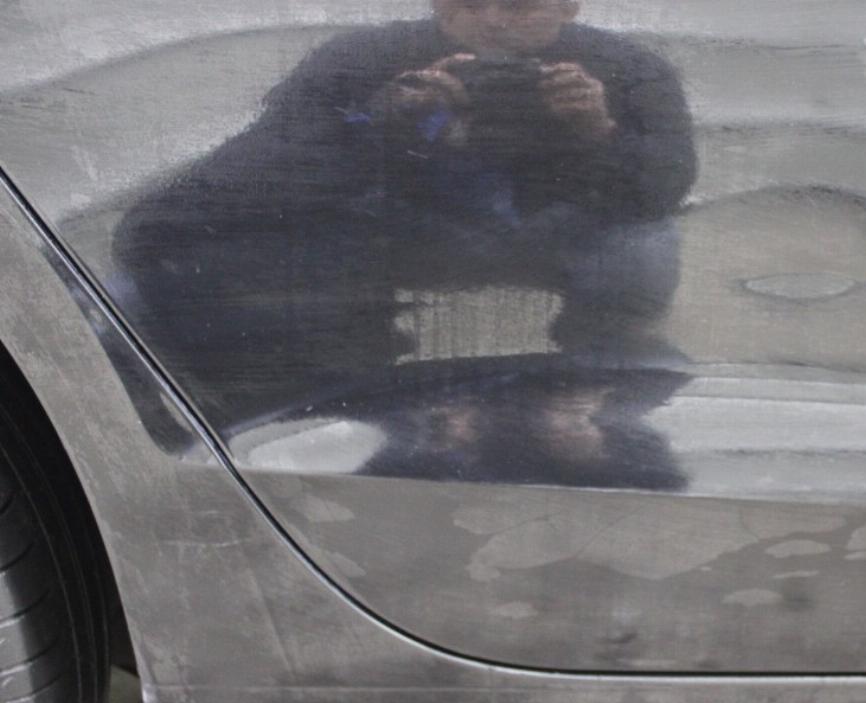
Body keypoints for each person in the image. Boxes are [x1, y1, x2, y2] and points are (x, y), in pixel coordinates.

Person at [113, 0, 697, 427]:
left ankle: (595, 388)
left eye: (519, 6)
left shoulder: (626, 69)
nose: (493, 22)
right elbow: (255, 173)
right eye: (469, 4)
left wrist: (598, 131)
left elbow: (665, 189)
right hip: (408, 238)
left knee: (639, 251)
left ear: (569, 6)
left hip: (565, 235)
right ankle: (358, 374)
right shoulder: (368, 59)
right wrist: (385, 122)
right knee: (181, 280)